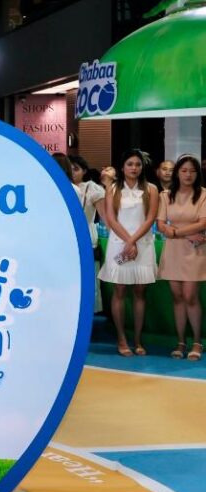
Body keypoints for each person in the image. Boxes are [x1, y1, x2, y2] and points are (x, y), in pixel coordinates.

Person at [98, 150, 159, 356]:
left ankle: (138, 339)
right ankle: (121, 338)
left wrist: (133, 242)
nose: (134, 168)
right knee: (120, 290)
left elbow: (150, 218)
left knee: (140, 291)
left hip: (143, 244)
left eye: (138, 164)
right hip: (119, 244)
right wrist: (127, 241)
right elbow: (111, 219)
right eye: (130, 164)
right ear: (122, 167)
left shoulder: (151, 189)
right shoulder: (113, 189)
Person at [156, 155, 206, 360]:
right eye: (184, 170)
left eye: (192, 171)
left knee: (190, 296)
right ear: (177, 173)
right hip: (173, 250)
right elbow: (160, 225)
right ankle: (180, 342)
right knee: (177, 297)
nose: (188, 175)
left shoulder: (203, 194)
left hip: (195, 250)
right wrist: (184, 234)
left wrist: (176, 231)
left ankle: (197, 342)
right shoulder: (166, 195)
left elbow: (203, 223)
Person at [68, 154, 106, 313]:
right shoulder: (62, 185)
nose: (72, 172)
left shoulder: (92, 188)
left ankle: (89, 314)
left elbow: (104, 216)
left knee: (88, 277)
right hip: (67, 236)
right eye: (69, 168)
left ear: (84, 171)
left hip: (87, 234)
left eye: (76, 169)